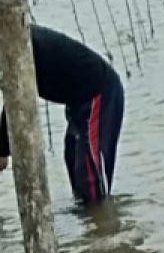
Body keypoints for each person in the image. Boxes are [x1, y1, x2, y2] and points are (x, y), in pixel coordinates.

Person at [0, 24, 124, 206]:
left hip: (99, 92)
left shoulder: (18, 44)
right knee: (74, 164)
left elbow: (17, 99)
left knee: (90, 177)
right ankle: (91, 224)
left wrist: (2, 150)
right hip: (77, 102)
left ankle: (104, 224)